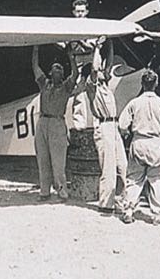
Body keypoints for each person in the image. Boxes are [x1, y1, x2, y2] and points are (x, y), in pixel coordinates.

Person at [118, 70, 160, 225]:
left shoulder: (134, 103)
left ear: (142, 84)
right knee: (157, 180)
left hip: (138, 142)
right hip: (156, 143)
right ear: (156, 84)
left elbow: (122, 124)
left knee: (134, 179)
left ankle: (129, 211)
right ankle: (157, 215)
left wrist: (127, 133)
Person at [32, 44, 82, 200]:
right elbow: (35, 66)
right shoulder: (44, 84)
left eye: (60, 68)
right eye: (55, 68)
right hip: (42, 122)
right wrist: (35, 48)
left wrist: (70, 56)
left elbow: (75, 74)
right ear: (50, 72)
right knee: (43, 159)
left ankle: (62, 190)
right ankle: (44, 192)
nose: (57, 69)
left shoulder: (66, 87)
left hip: (57, 123)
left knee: (58, 161)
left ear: (62, 74)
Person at [84, 36, 128, 213]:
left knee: (122, 165)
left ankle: (121, 200)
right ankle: (105, 204)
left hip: (113, 126)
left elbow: (107, 64)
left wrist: (109, 43)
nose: (103, 68)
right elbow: (95, 68)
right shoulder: (91, 84)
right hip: (103, 127)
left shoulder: (105, 84)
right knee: (108, 167)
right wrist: (96, 47)